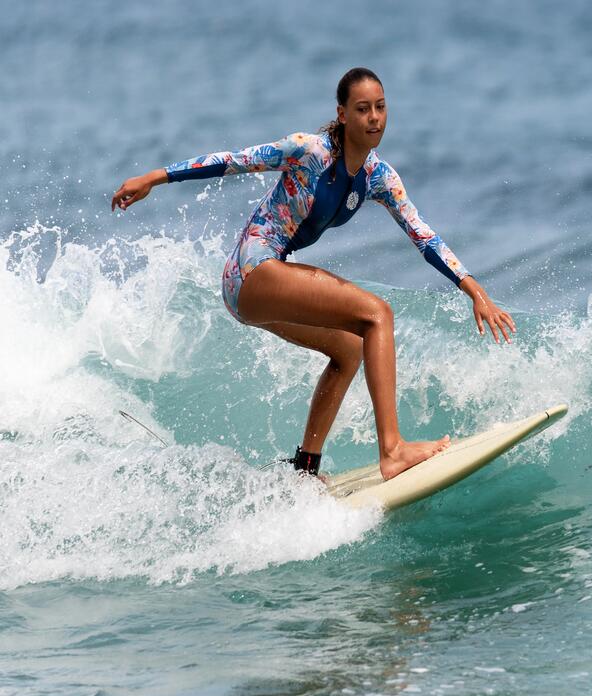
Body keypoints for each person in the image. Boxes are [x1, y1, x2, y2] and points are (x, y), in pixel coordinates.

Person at [112, 67, 515, 481]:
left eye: (380, 107)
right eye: (362, 109)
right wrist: (154, 177)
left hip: (263, 283)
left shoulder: (379, 177)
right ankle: (392, 449)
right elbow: (235, 161)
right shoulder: (309, 151)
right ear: (342, 114)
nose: (374, 117)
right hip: (252, 268)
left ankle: (306, 467)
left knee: (349, 350)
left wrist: (473, 289)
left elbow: (423, 235)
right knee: (378, 314)